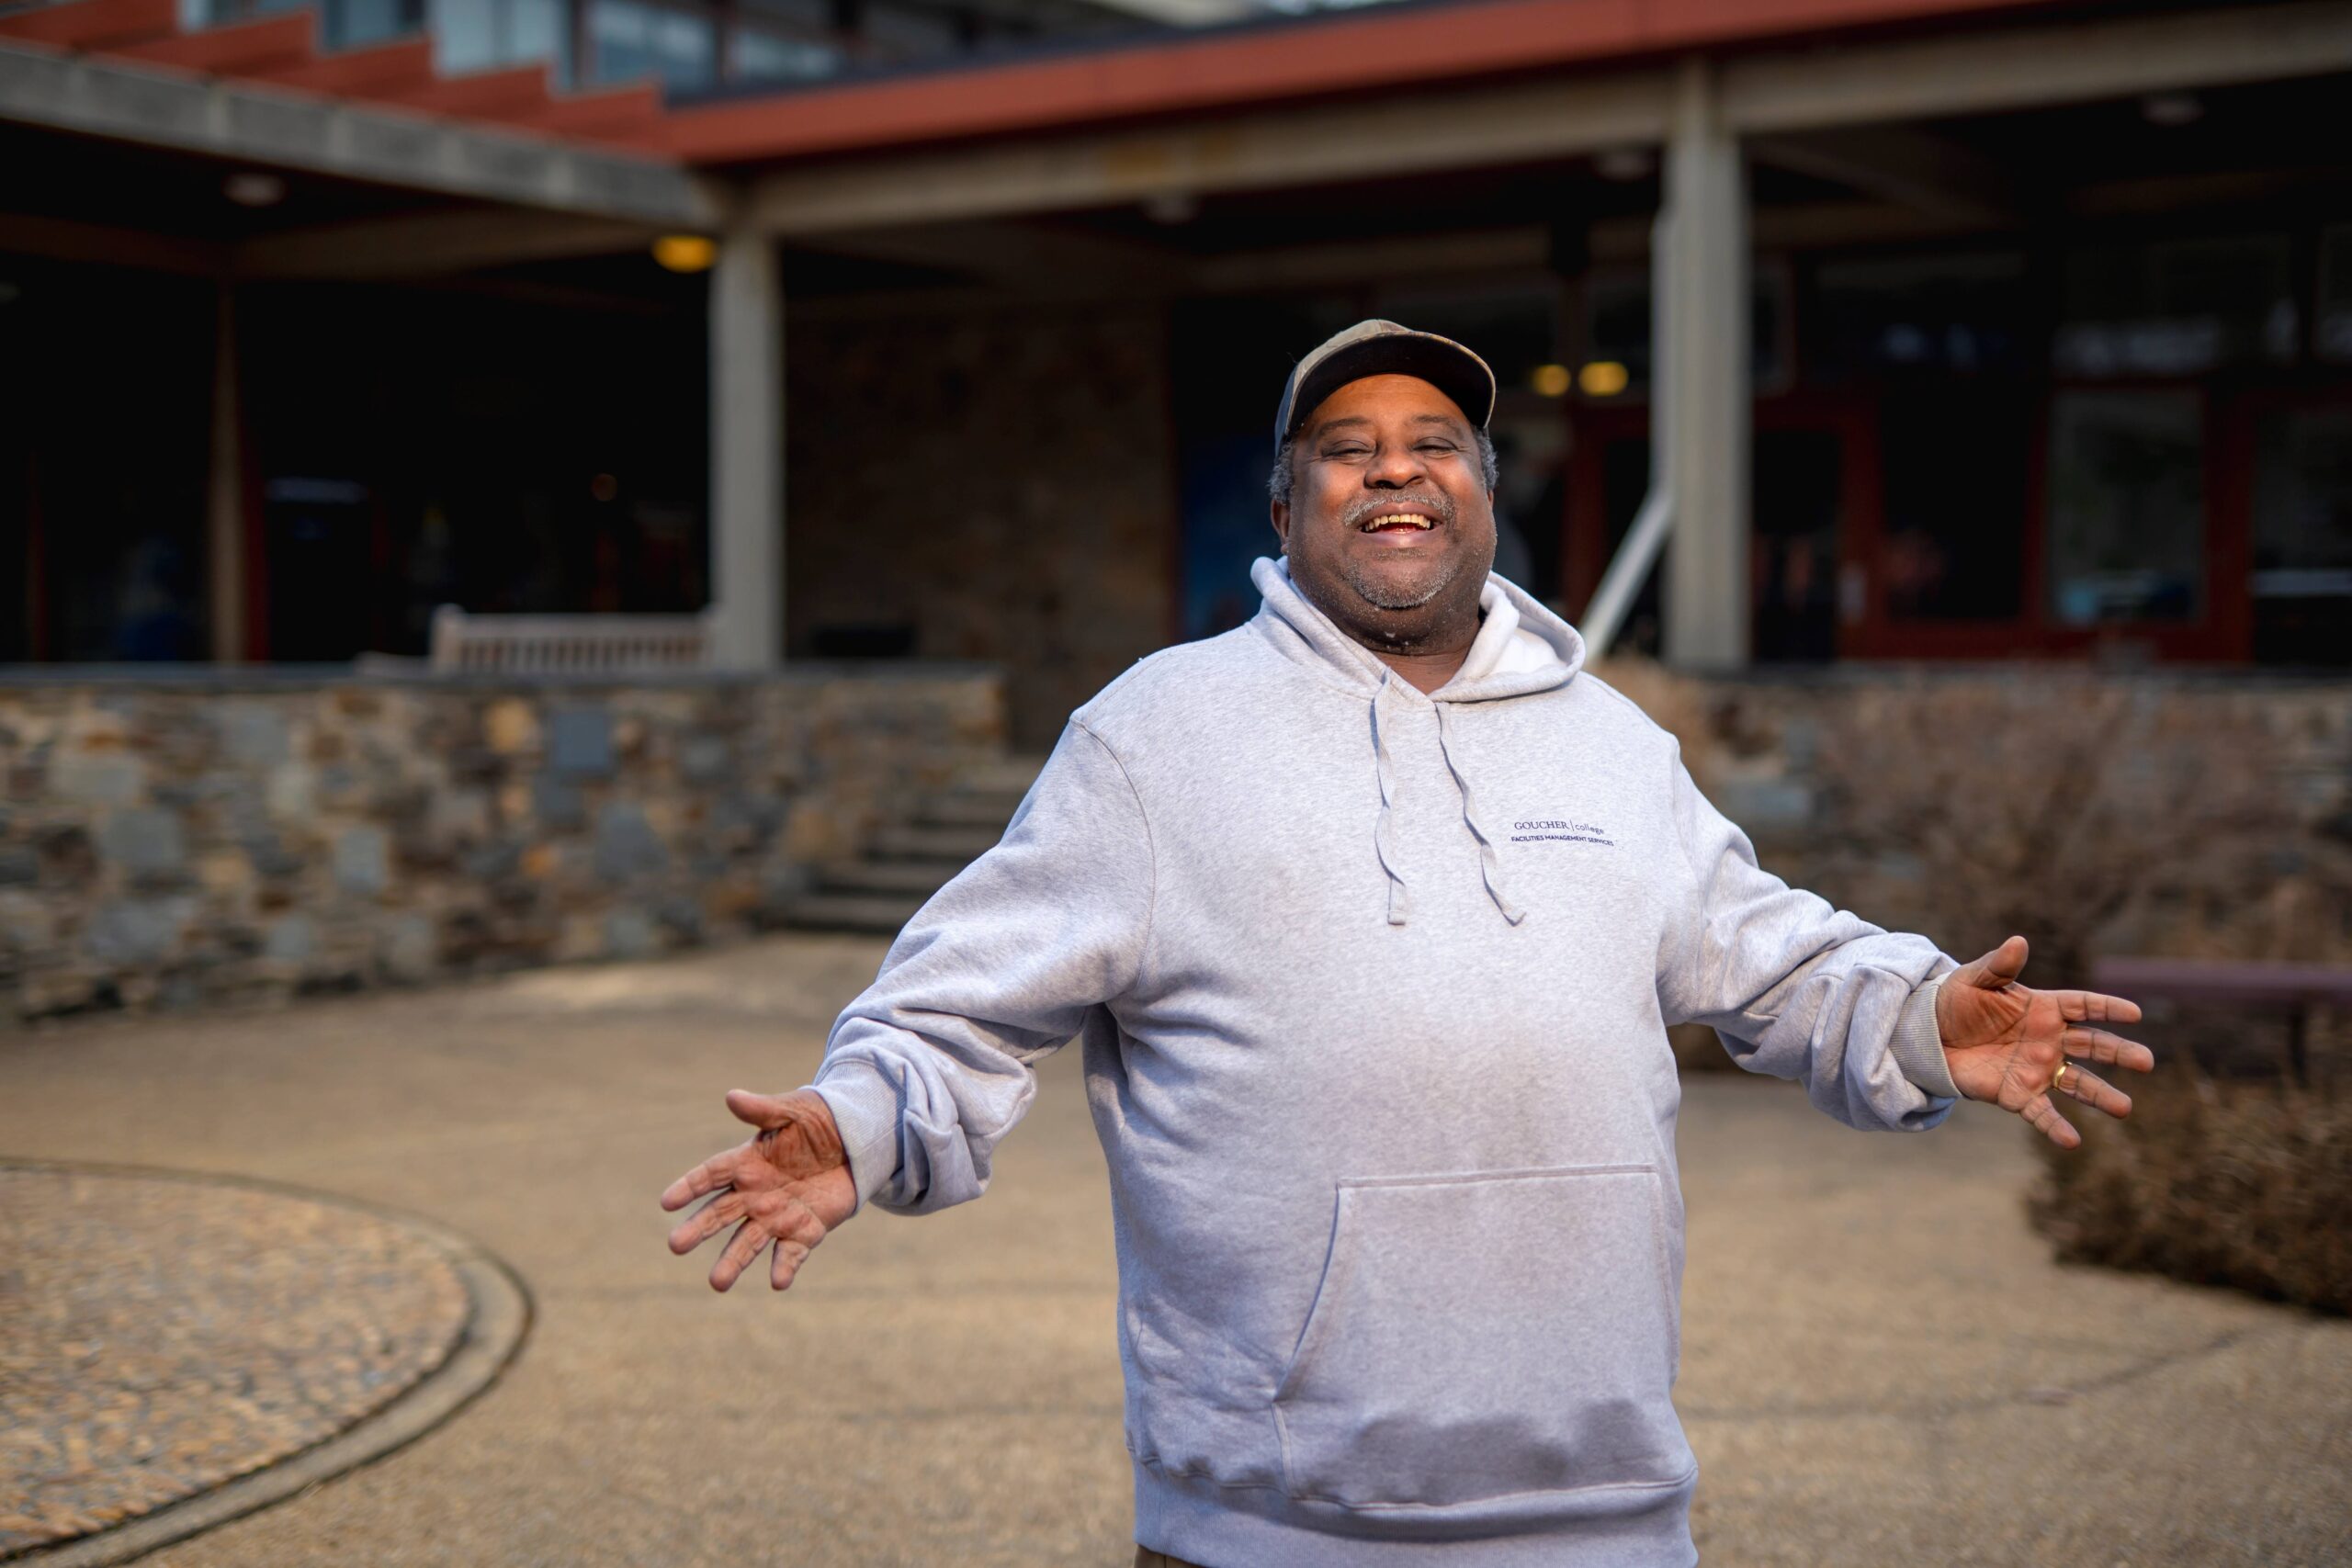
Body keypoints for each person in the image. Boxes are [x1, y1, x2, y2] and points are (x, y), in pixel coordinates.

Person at [662, 320, 2153, 1567]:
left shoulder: (1612, 743)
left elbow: (1771, 959)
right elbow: (955, 1009)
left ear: (1484, 497)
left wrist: (1911, 1017)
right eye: (1347, 445)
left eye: (1435, 440)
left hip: (1609, 1505)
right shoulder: (1152, 740)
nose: (1395, 465)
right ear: (1287, 504)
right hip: (1273, 1520)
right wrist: (861, 1121)